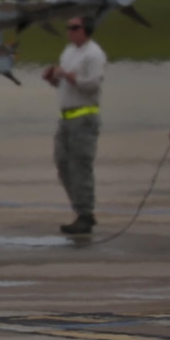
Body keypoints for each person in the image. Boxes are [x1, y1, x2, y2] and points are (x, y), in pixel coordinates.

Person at [45, 17, 107, 235]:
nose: (70, 32)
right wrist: (53, 78)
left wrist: (70, 77)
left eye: (74, 28)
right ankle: (80, 209)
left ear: (86, 30)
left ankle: (85, 213)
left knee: (80, 166)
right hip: (66, 117)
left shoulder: (94, 54)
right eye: (68, 28)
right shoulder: (68, 52)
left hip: (84, 117)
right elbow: (63, 84)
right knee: (62, 163)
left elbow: (92, 85)